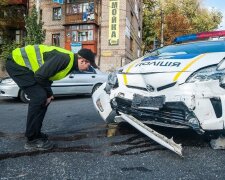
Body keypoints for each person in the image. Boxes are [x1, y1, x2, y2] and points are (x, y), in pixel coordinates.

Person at [5, 45, 97, 151]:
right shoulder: (65, 59)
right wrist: (48, 94)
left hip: (24, 67)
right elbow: (40, 76)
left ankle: (36, 133)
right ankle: (32, 139)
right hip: (16, 63)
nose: (88, 68)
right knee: (39, 97)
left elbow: (47, 76)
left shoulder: (70, 63)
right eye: (89, 65)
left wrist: (49, 94)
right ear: (82, 61)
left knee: (43, 99)